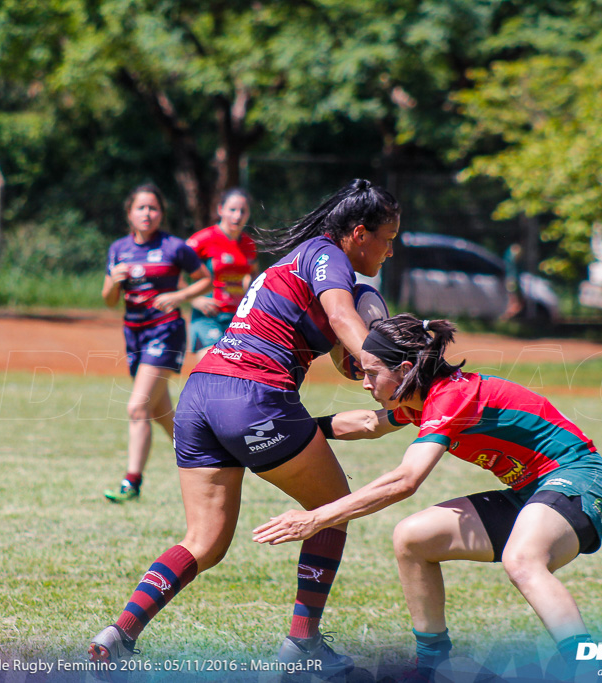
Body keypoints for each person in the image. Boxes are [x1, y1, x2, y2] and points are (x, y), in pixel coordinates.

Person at [88, 179, 401, 676]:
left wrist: (361, 363)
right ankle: (302, 644)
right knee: (333, 508)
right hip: (253, 394)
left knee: (205, 541)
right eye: (388, 237)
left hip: (202, 394)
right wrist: (390, 370)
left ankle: (119, 633)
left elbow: (340, 343)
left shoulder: (303, 260)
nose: (391, 249)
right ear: (358, 233)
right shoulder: (328, 256)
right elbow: (343, 318)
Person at [252, 314, 602, 681]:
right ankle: (433, 665)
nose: (365, 383)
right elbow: (368, 423)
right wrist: (290, 433)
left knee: (522, 560)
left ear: (406, 368)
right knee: (413, 538)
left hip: (580, 480)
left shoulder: (450, 396)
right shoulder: (421, 397)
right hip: (530, 492)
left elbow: (406, 480)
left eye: (371, 372)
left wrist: (316, 518)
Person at [101, 184, 212, 503]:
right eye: (141, 208)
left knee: (138, 407)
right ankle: (209, 457)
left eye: (153, 208)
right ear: (129, 213)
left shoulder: (174, 247)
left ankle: (131, 482)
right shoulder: (118, 248)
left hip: (166, 331)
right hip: (133, 333)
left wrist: (179, 296)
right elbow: (109, 300)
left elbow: (204, 278)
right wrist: (115, 281)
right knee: (162, 411)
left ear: (161, 214)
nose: (147, 213)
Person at [185, 188, 260, 356]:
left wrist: (249, 297)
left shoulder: (249, 244)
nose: (237, 215)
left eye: (243, 211)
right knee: (214, 365)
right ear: (221, 210)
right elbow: (173, 269)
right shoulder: (203, 239)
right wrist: (194, 299)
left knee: (238, 372)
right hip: (208, 316)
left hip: (236, 318)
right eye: (232, 210)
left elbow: (255, 275)